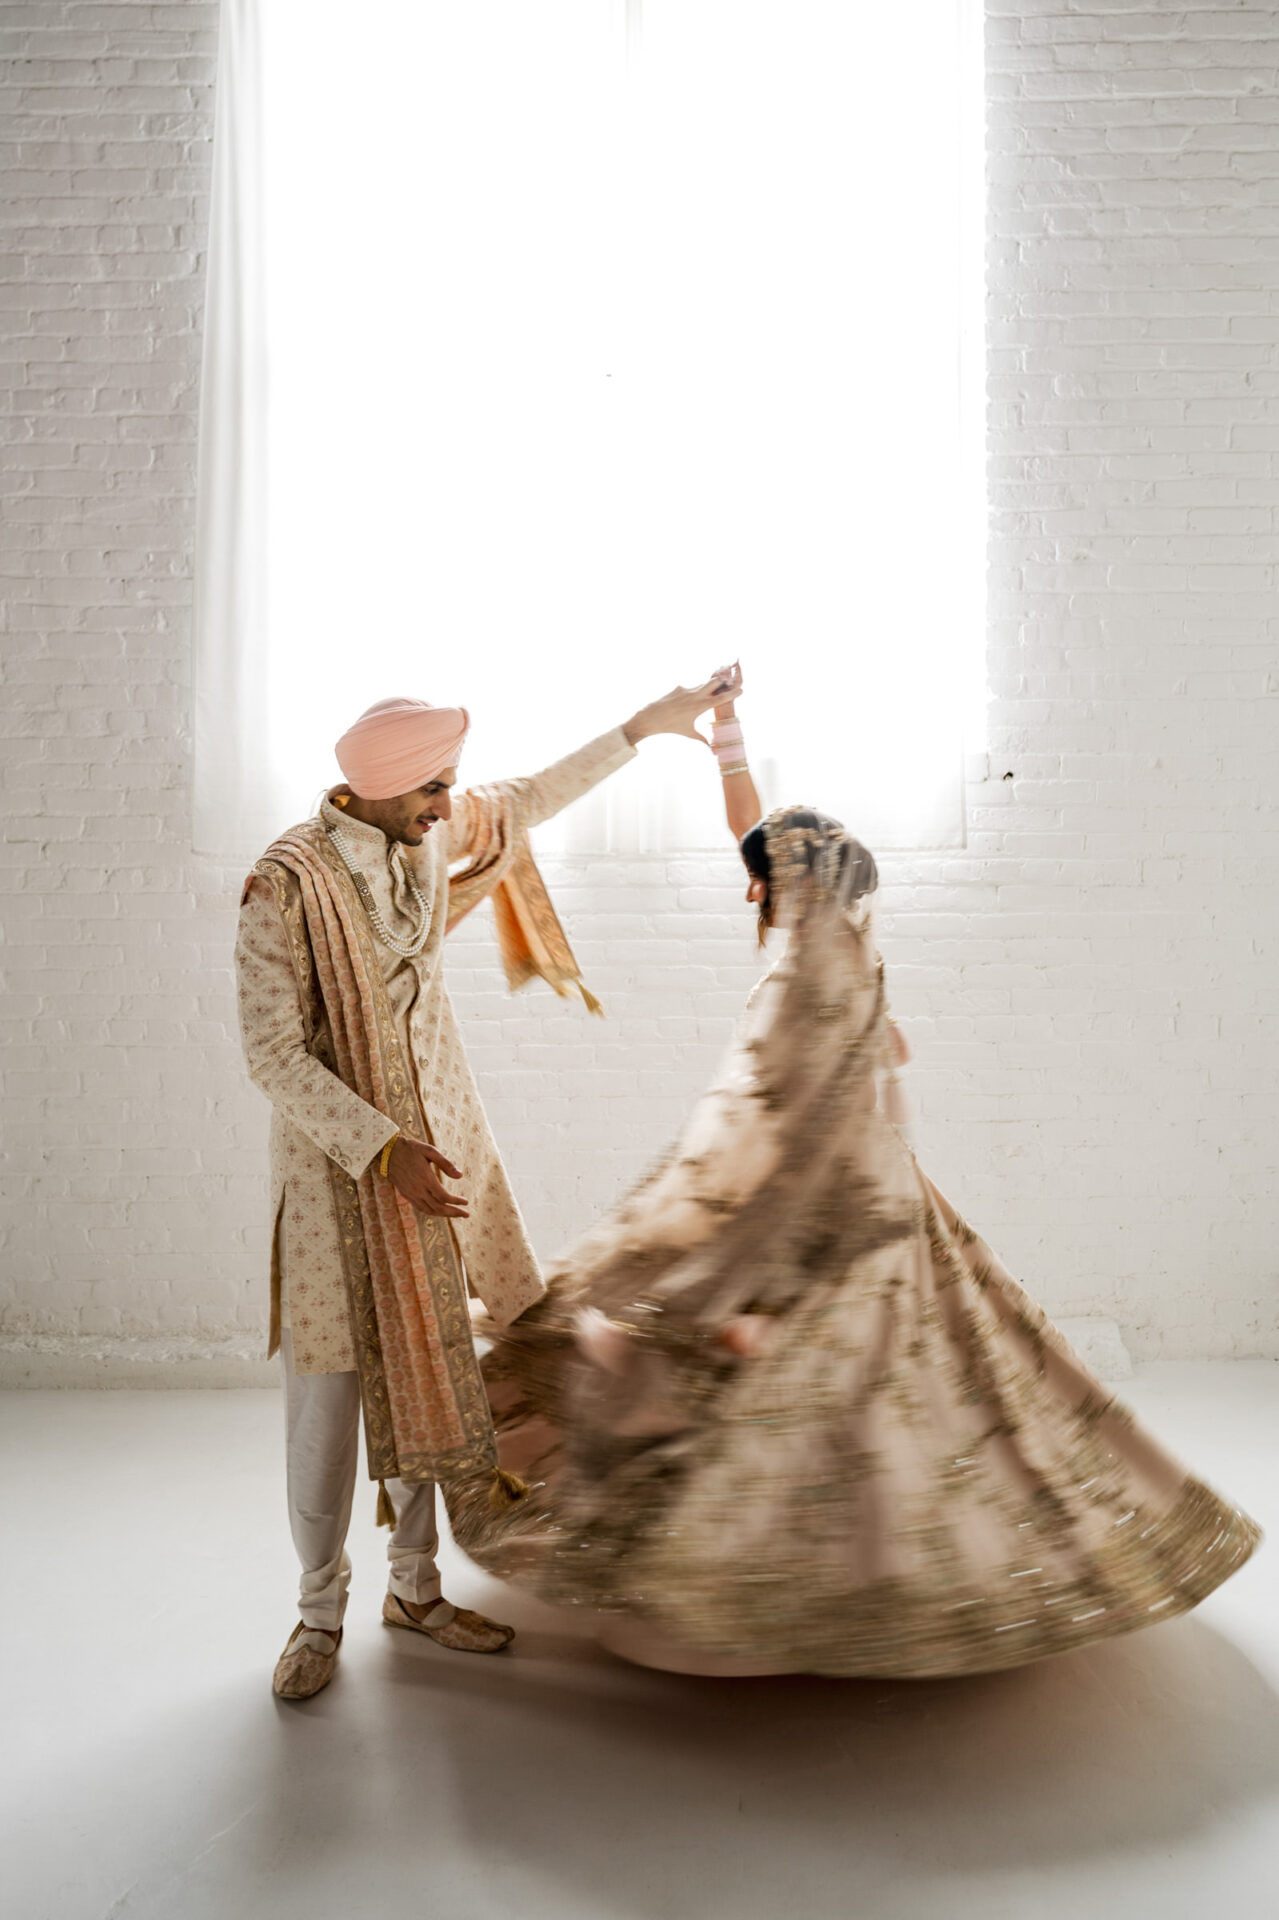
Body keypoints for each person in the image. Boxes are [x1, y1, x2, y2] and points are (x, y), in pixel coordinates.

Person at [465, 692, 1262, 1678]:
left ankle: (769, 1598)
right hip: (882, 1188)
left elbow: (779, 1106)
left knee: (760, 1363)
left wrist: (718, 1208)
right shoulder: (843, 941)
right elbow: (762, 852)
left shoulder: (807, 972)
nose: (746, 895)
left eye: (756, 885)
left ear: (784, 889)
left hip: (826, 1202)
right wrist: (726, 741)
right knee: (930, 1385)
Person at [234, 674, 737, 1699]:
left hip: (439, 1155)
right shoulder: (285, 885)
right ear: (380, 787)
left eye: (448, 791)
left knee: (431, 1363)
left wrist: (647, 724)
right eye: (433, 790)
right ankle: (315, 1615)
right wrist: (381, 1149)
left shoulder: (422, 838)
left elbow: (530, 798)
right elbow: (273, 1056)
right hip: (345, 1178)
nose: (445, 807)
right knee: (328, 1407)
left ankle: (414, 1590)